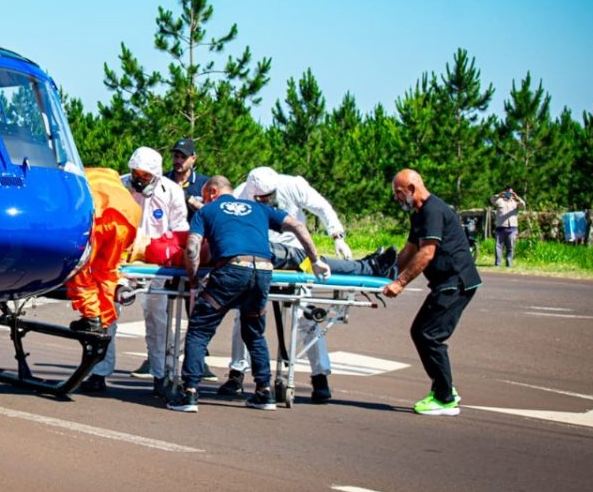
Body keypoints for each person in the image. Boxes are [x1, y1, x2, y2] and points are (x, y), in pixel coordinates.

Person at [221, 166, 396, 403]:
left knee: (306, 316)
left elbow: (322, 207)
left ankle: (320, 376)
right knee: (244, 316)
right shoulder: (241, 195)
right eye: (261, 197)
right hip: (261, 258)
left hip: (294, 256)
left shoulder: (293, 185)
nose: (266, 200)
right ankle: (237, 372)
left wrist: (337, 236)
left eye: (269, 196)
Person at [168, 175, 330, 413]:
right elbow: (297, 225)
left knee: (199, 330)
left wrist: (193, 282)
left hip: (232, 269)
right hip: (263, 270)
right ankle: (264, 391)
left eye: (204, 195)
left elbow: (192, 248)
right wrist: (315, 259)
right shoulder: (258, 207)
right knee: (254, 332)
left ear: (212, 192)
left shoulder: (207, 211)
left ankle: (189, 391)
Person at [384, 168, 482, 416]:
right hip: (446, 282)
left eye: (398, 192)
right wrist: (388, 274)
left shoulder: (433, 210)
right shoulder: (419, 215)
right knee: (423, 332)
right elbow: (409, 250)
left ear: (412, 188)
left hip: (455, 282)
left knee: (428, 334)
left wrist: (401, 283)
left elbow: (427, 253)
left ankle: (445, 398)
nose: (396, 198)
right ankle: (444, 387)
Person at [121, 147, 189, 398]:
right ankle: (99, 371)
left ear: (156, 175)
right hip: (124, 258)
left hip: (156, 262)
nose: (139, 178)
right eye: (135, 173)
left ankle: (159, 374)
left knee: (157, 318)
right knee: (109, 313)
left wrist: (176, 257)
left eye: (145, 175)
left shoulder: (170, 191)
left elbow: (180, 228)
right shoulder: (121, 186)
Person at [68, 167, 142, 393]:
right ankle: (103, 319)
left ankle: (91, 317)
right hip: (128, 218)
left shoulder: (76, 175)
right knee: (107, 274)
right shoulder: (112, 178)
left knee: (80, 268)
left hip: (100, 214)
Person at [165, 138, 210, 221]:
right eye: (176, 156)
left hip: (194, 232)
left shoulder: (204, 183)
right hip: (167, 232)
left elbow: (213, 213)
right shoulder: (163, 180)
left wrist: (192, 201)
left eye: (183, 157)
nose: (178, 161)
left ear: (193, 159)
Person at [490, 186, 526, 267]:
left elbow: (523, 205)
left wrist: (517, 197)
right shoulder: (499, 201)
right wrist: (499, 195)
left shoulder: (515, 203)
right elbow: (492, 200)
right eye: (508, 192)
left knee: (510, 247)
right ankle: (497, 264)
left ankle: (509, 264)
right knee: (498, 247)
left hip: (512, 228)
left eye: (511, 192)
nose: (509, 194)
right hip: (500, 228)